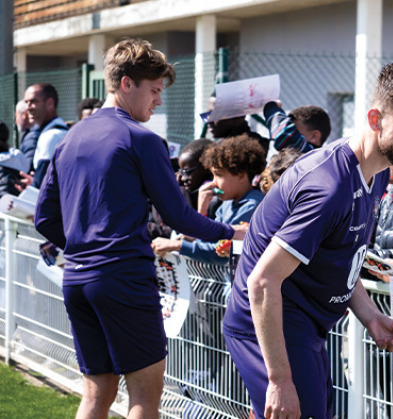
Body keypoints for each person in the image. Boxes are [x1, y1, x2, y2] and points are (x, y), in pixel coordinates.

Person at [34, 38, 246, 419]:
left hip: (77, 279)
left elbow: (44, 219)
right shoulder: (141, 138)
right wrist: (233, 233)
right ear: (126, 84)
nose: (159, 100)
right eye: (154, 90)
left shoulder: (70, 137)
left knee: (96, 394)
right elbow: (181, 217)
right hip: (122, 277)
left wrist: (84, 247)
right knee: (144, 397)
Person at [222, 63, 393, 419]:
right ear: (374, 119)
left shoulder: (379, 172)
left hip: (305, 326)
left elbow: (340, 258)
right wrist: (278, 378)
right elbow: (262, 282)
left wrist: (370, 316)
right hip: (272, 325)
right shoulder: (329, 187)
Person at [151, 134, 266, 265]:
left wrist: (177, 245)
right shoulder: (227, 204)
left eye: (218, 175)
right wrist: (202, 210)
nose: (213, 182)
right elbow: (206, 240)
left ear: (241, 176)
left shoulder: (251, 206)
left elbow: (219, 253)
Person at [24, 83, 69, 188]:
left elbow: (43, 187)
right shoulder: (62, 132)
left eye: (33, 102)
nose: (28, 107)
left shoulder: (51, 136)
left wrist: (34, 185)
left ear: (50, 103)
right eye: (26, 102)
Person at [263, 101, 331, 154]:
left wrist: (271, 107)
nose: (291, 133)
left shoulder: (309, 154)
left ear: (314, 136)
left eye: (295, 131)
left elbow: (284, 136)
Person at [16, 100, 38, 172]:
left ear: (23, 115)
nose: (16, 121)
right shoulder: (29, 134)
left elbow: (26, 166)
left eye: (16, 116)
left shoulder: (32, 137)